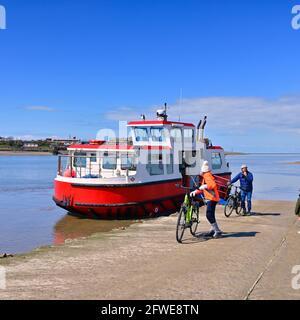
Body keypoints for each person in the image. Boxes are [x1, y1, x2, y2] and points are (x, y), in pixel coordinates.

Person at [190, 161, 222, 238]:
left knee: (208, 215)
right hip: (212, 198)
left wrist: (204, 186)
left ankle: (217, 231)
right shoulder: (206, 175)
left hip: (212, 198)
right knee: (211, 215)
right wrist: (196, 192)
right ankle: (213, 229)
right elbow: (203, 188)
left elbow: (212, 185)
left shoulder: (207, 175)